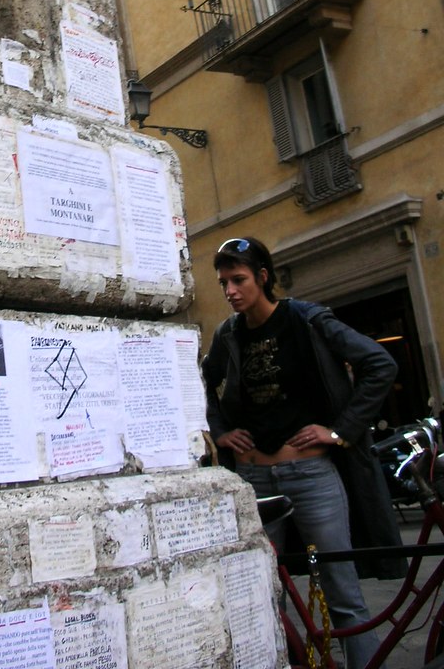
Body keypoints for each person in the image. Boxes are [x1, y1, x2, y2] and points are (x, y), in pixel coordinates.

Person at [202, 236, 404, 669]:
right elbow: (202, 382)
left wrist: (339, 432)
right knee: (261, 594)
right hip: (255, 483)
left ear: (263, 277)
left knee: (342, 594)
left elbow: (379, 365)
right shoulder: (228, 335)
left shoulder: (307, 320)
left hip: (311, 476)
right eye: (223, 283)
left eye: (238, 280)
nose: (230, 291)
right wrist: (219, 431)